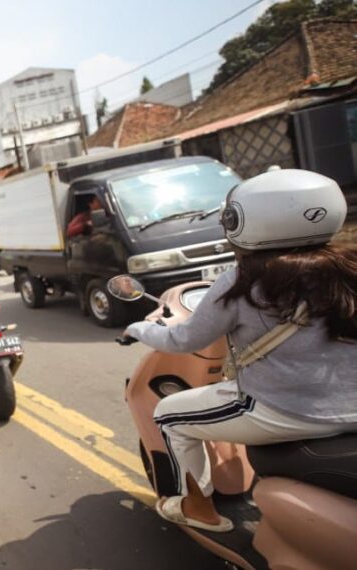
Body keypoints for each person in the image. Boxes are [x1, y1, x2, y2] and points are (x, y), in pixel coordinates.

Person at [122, 168, 357, 532]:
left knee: (168, 415)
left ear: (242, 220)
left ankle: (196, 506)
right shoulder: (348, 267)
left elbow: (184, 340)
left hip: (289, 410)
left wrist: (140, 328)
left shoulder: (243, 281)